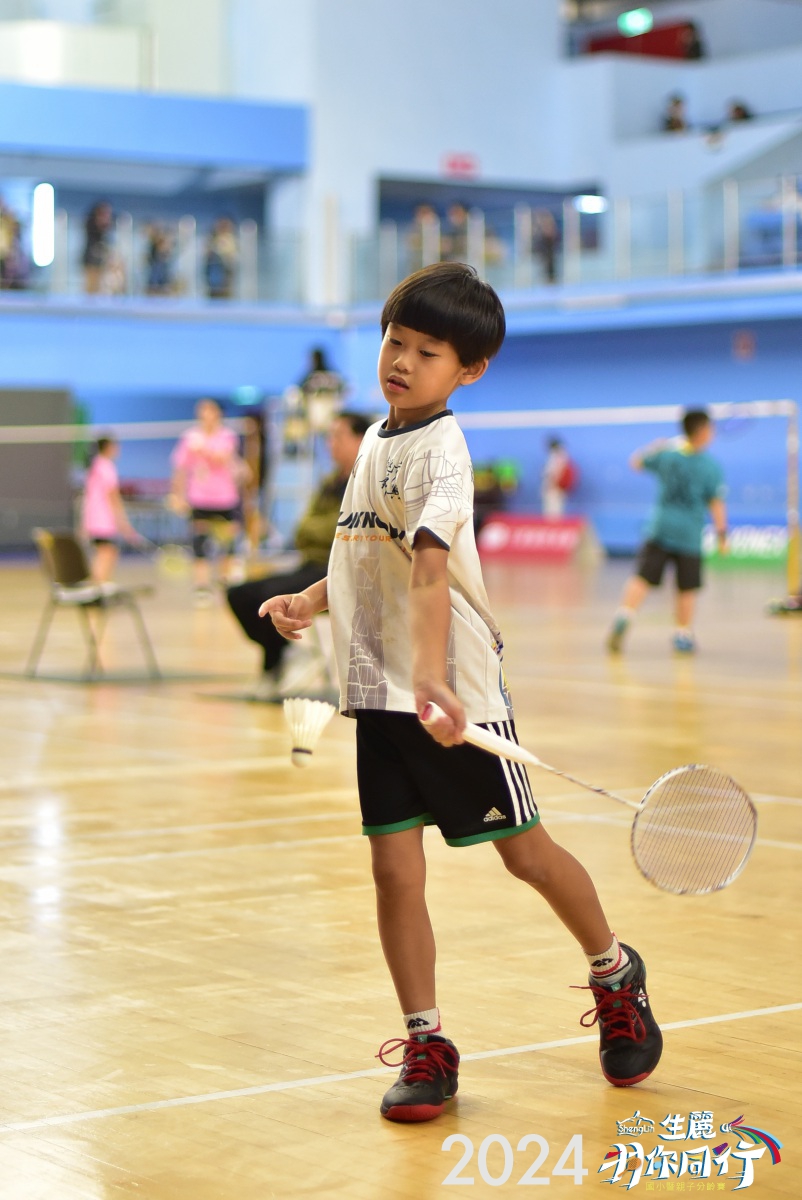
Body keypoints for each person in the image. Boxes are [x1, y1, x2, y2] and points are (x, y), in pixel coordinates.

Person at [260, 263, 662, 1123]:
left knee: (525, 855)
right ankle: (427, 1042)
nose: (402, 361)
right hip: (378, 690)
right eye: (394, 341)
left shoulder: (444, 453)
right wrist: (310, 599)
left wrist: (435, 678)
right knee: (393, 871)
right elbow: (367, 553)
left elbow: (430, 570)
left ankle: (613, 971)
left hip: (456, 696)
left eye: (427, 351)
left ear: (469, 370)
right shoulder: (376, 440)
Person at [226, 411, 370, 699]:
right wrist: (320, 530)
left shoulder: (366, 482)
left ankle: (277, 662)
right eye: (329, 437)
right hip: (309, 564)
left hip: (339, 570)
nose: (330, 443)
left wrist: (321, 530)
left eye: (338, 436)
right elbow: (304, 529)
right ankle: (283, 653)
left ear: (360, 439)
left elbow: (343, 530)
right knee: (241, 593)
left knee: (272, 594)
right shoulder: (330, 482)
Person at [606, 409, 728, 655]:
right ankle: (682, 634)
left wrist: (656, 446)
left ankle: (624, 616)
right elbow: (716, 503)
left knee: (642, 577)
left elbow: (636, 462)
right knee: (686, 587)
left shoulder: (667, 455)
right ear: (702, 431)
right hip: (689, 535)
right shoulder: (710, 466)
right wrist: (722, 535)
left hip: (660, 528)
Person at [169, 398, 244, 603]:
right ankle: (201, 585)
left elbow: (223, 458)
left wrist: (203, 449)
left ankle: (226, 582)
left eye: (209, 411)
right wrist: (177, 495)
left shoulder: (227, 436)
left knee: (227, 541)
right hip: (199, 497)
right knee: (199, 541)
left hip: (225, 498)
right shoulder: (190, 437)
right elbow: (180, 468)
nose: (205, 415)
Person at [81, 435, 143, 584]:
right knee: (106, 552)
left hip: (93, 518)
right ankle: (98, 587)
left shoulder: (94, 466)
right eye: (115, 446)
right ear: (108, 448)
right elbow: (113, 496)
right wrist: (123, 521)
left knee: (106, 551)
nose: (118, 449)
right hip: (103, 519)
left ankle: (99, 586)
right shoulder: (106, 466)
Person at [82, 202, 114, 294]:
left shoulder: (106, 230)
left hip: (101, 262)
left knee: (101, 288)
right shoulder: (91, 226)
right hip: (91, 262)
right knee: (92, 288)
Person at [541, 436, 577, 517]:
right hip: (556, 487)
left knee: (553, 512)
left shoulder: (558, 456)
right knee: (553, 511)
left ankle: (554, 525)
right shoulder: (561, 456)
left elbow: (556, 472)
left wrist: (552, 485)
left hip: (555, 488)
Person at [204, 217, 238, 299]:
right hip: (214, 275)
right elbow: (207, 254)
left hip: (225, 276)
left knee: (224, 294)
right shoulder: (211, 239)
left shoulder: (231, 240)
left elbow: (232, 256)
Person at [532, 208, 560, 284]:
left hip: (550, 263)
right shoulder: (540, 235)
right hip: (544, 262)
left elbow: (550, 233)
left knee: (550, 279)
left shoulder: (550, 236)